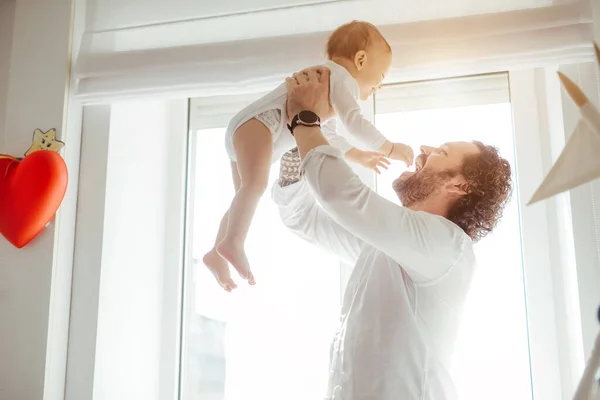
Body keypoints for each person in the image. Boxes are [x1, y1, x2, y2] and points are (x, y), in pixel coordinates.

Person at [271, 67, 513, 399]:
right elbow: (302, 218)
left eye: (441, 152)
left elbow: (343, 198)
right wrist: (295, 150)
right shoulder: (385, 249)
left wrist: (305, 121)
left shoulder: (448, 247)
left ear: (459, 185)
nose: (424, 148)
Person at [203, 21, 413, 291]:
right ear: (360, 60)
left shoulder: (328, 81)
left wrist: (359, 156)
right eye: (382, 76)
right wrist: (389, 147)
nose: (379, 86)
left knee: (243, 197)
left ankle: (217, 255)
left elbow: (328, 132)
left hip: (248, 129)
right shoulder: (340, 77)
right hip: (259, 125)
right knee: (254, 186)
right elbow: (353, 120)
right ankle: (234, 243)